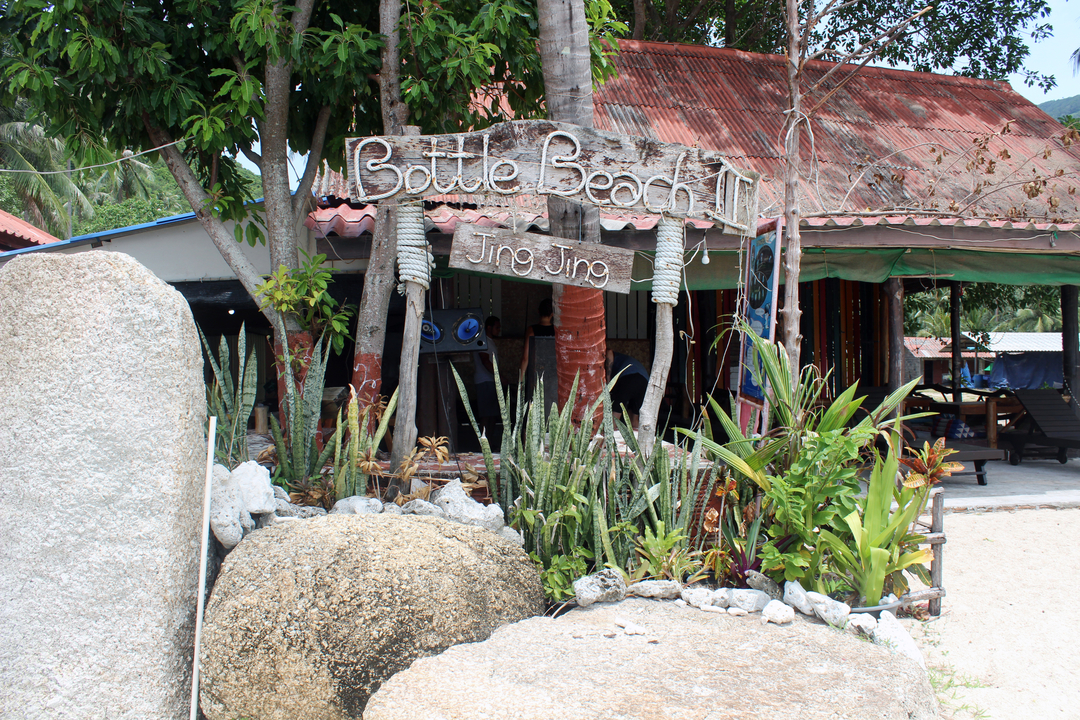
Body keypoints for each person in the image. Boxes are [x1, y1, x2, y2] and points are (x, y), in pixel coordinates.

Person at [606, 347, 649, 429]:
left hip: (629, 377)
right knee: (634, 417)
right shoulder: (624, 359)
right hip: (644, 380)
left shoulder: (605, 354)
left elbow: (609, 352)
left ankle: (609, 438)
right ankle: (635, 440)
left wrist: (608, 380)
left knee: (616, 412)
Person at [474, 316, 502, 446]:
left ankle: (489, 442)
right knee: (486, 415)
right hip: (485, 381)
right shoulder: (483, 341)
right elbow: (485, 361)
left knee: (492, 415)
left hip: (490, 381)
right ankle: (483, 444)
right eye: (497, 327)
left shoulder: (489, 341)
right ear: (489, 328)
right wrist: (499, 376)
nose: (499, 330)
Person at [520, 298, 556, 381]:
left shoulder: (531, 330)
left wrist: (520, 381)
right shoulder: (557, 331)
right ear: (552, 313)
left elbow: (525, 358)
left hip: (535, 373)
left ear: (538, 311)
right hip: (552, 374)